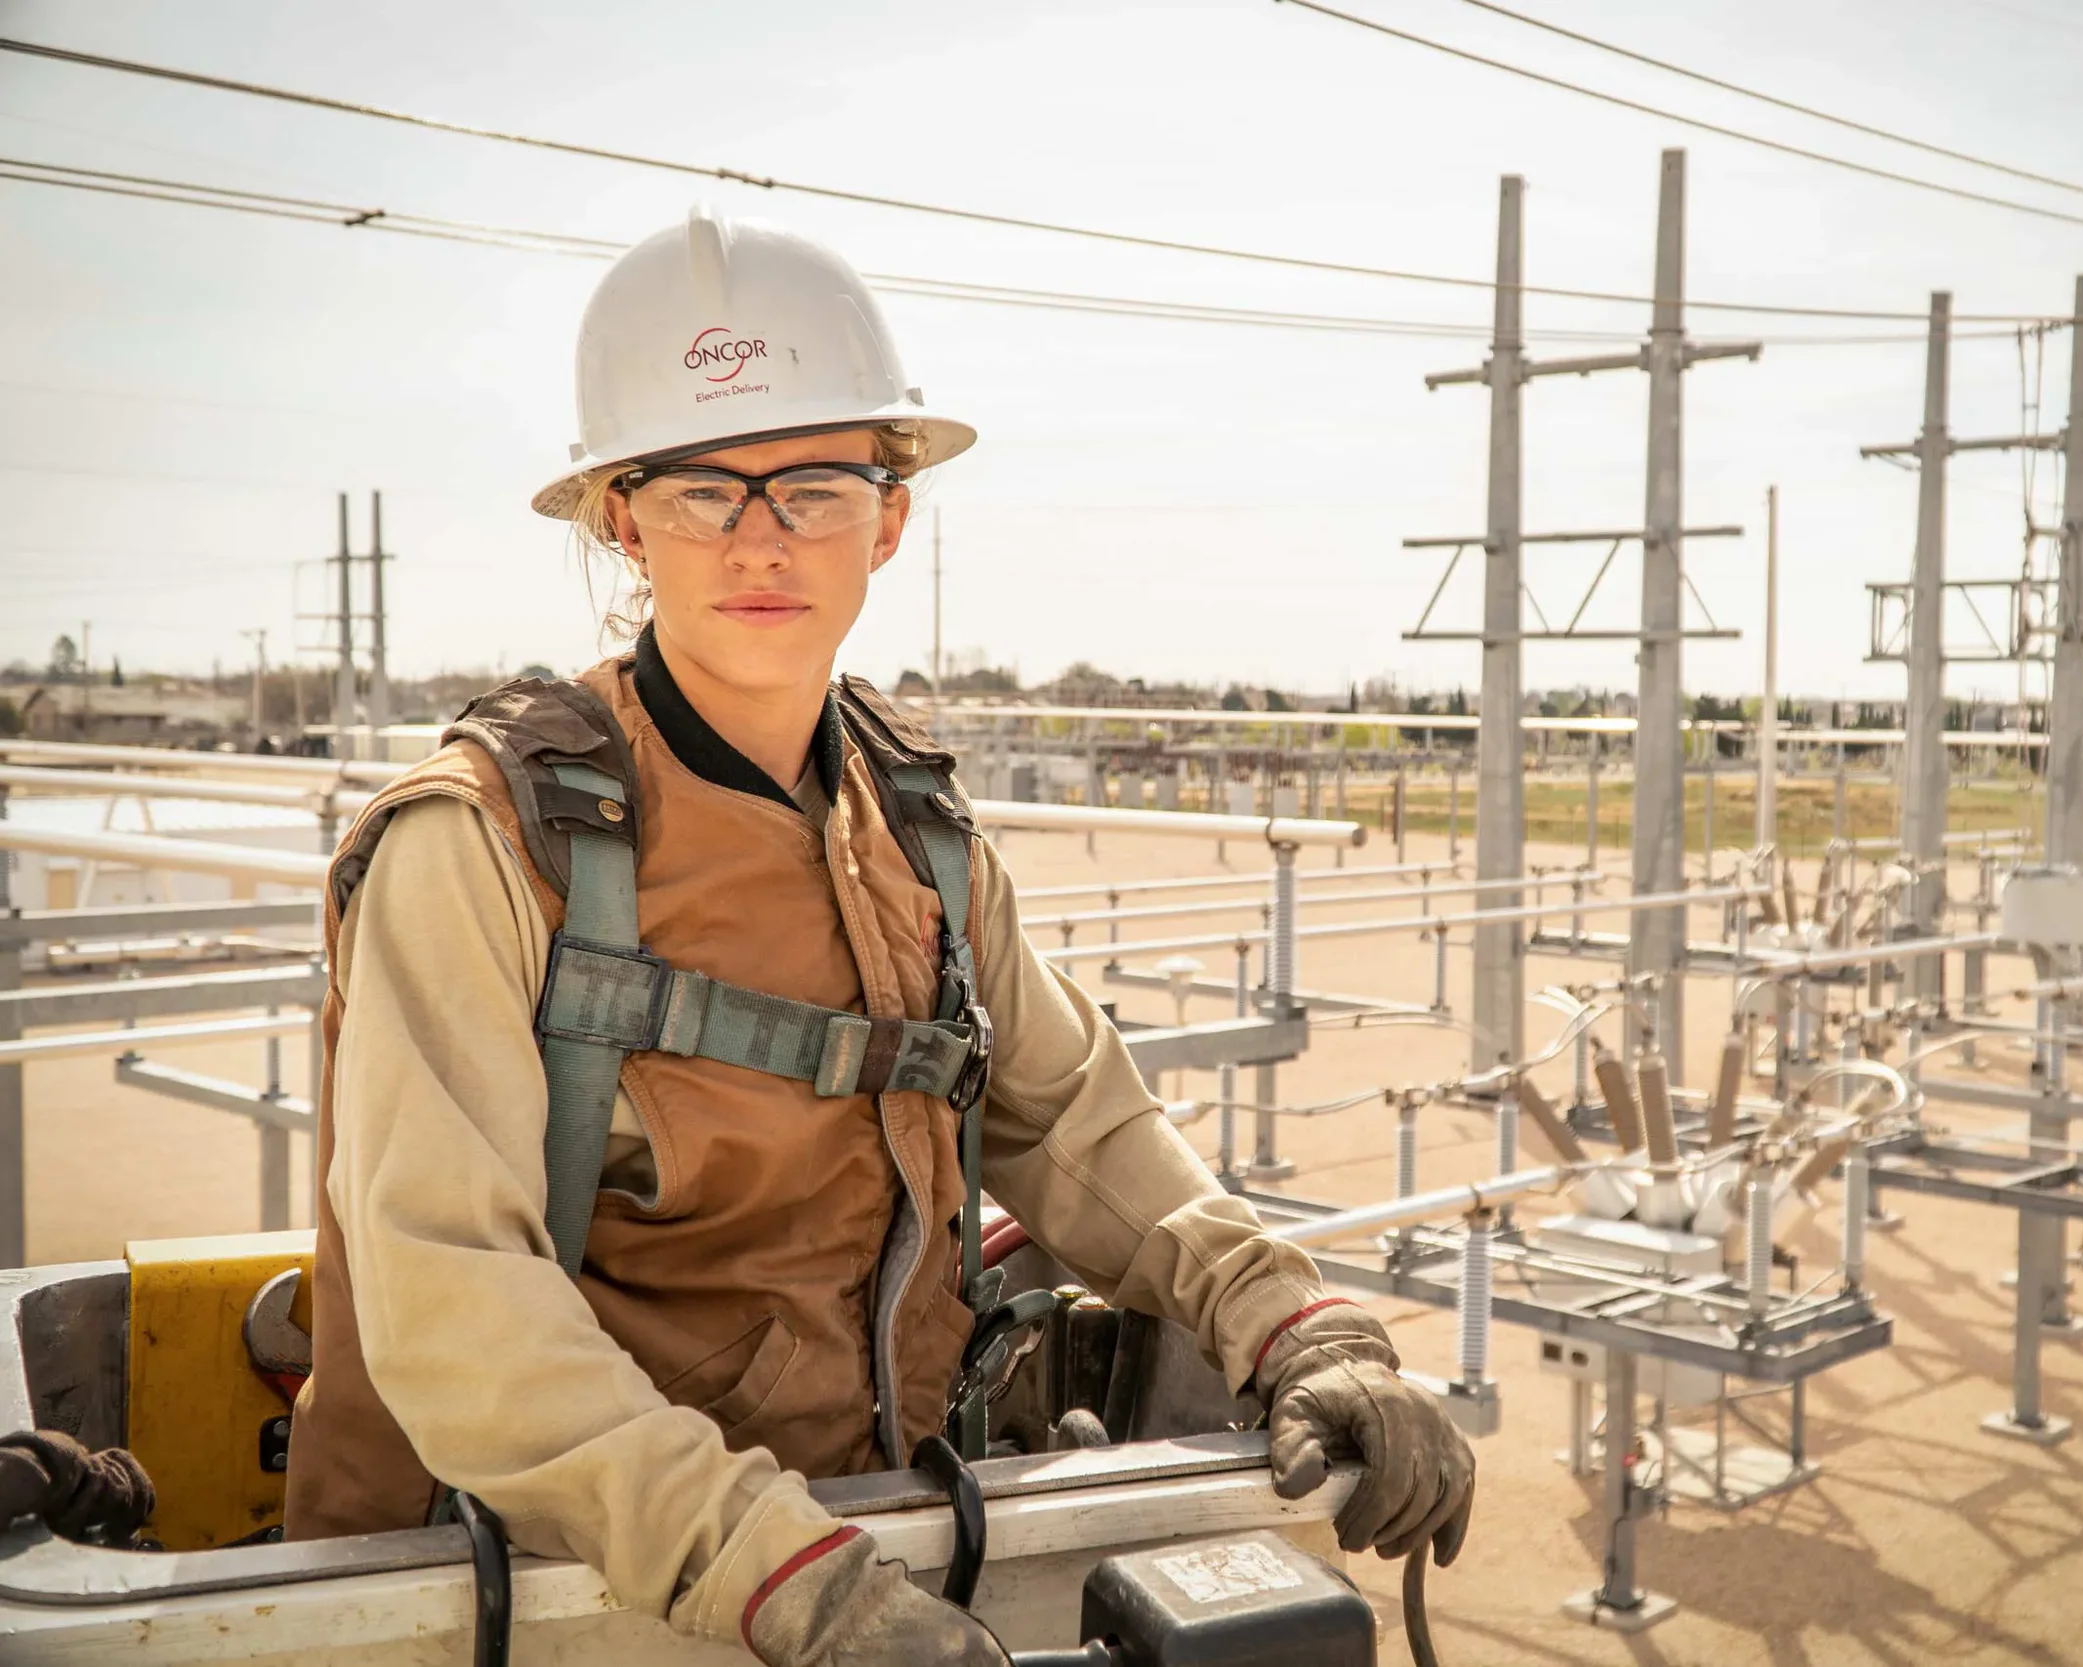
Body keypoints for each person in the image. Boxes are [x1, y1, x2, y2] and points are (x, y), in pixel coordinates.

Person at [282, 206, 1474, 1665]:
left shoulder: (916, 834)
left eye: (814, 486)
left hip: (869, 1543)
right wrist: (787, 1578)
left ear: (890, 519)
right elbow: (451, 1297)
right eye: (702, 490)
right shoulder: (484, 844)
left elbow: (1077, 1122)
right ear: (622, 520)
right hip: (529, 1595)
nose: (760, 537)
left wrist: (1294, 1322)